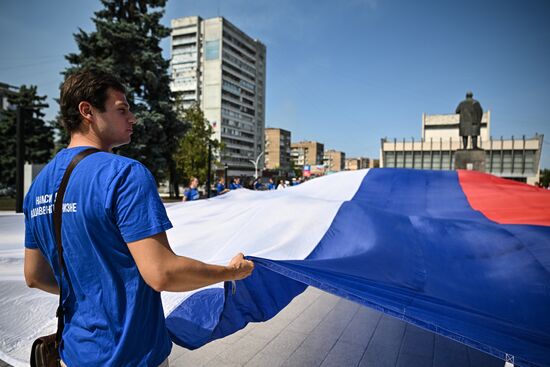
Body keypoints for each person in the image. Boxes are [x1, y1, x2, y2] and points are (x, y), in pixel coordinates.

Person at [23, 70, 254, 367]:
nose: (132, 117)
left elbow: (35, 276)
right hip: (130, 355)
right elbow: (162, 273)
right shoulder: (124, 174)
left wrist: (92, 289)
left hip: (74, 353)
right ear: (87, 111)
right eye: (122, 109)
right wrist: (230, 273)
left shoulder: (38, 187)